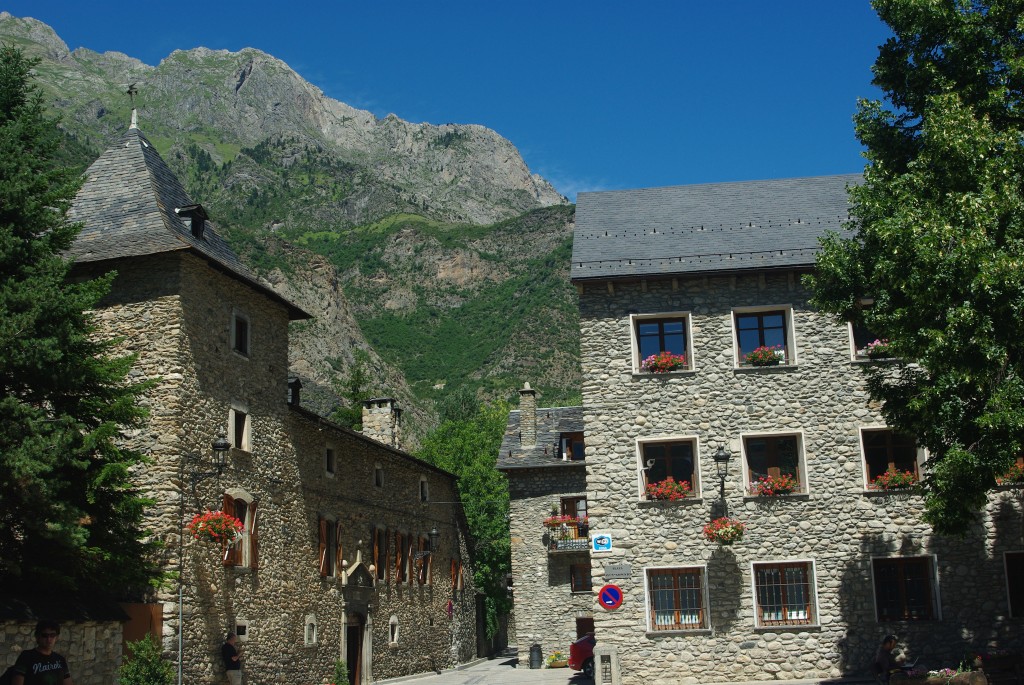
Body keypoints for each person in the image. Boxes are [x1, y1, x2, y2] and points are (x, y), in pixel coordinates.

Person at [11, 620, 73, 685]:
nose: (49, 639)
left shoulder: (60, 660)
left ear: (56, 637)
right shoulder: (26, 657)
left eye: (52, 635)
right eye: (45, 635)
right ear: (37, 637)